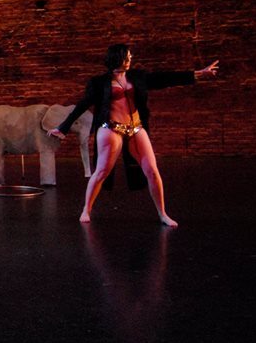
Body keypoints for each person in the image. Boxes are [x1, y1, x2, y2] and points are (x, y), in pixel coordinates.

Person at [48, 44, 219, 227]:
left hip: (136, 127)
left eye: (130, 56)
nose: (130, 59)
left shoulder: (137, 77)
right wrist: (63, 127)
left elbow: (164, 78)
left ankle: (162, 213)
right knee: (101, 172)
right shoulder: (99, 82)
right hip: (111, 128)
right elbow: (82, 105)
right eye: (127, 56)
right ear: (118, 57)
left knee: (152, 171)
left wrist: (197, 74)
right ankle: (86, 210)